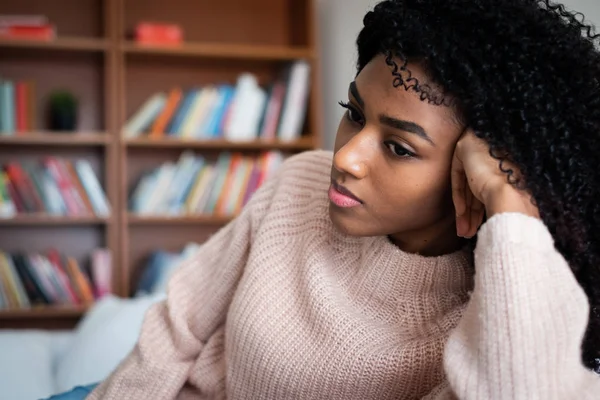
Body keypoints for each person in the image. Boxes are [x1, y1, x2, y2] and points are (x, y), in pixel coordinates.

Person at [81, 0, 600, 398]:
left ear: (471, 173)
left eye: (398, 147)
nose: (347, 157)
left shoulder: (499, 295)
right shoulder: (301, 182)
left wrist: (511, 205)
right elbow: (178, 326)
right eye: (353, 112)